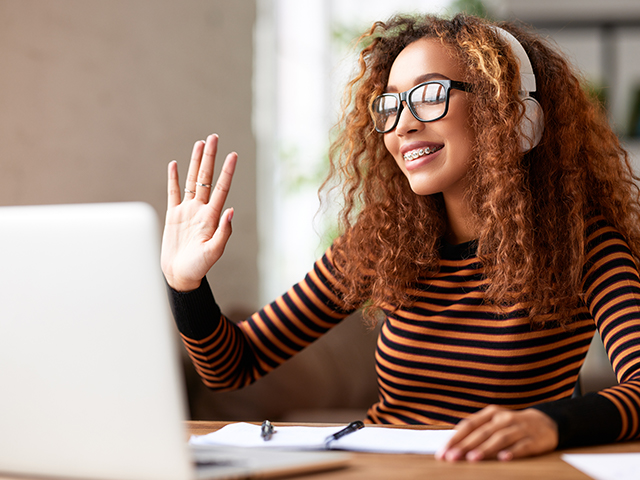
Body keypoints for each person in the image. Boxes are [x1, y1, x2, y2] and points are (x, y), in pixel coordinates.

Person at [160, 13, 640, 461]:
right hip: (380, 467)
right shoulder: (383, 240)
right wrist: (186, 286)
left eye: (430, 94)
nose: (404, 124)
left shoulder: (582, 245)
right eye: (389, 104)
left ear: (512, 113)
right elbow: (232, 367)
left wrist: (552, 423)